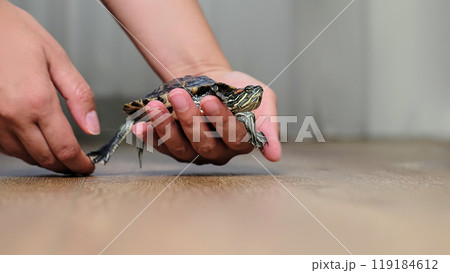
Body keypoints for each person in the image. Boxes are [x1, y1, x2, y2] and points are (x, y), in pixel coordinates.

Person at [0, 0, 281, 175]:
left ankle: (106, 150)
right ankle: (110, 147)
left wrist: (204, 66)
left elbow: (230, 106)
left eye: (251, 96)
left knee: (154, 117)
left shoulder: (231, 103)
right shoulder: (215, 95)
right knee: (138, 118)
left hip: (190, 93)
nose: (251, 97)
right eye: (250, 95)